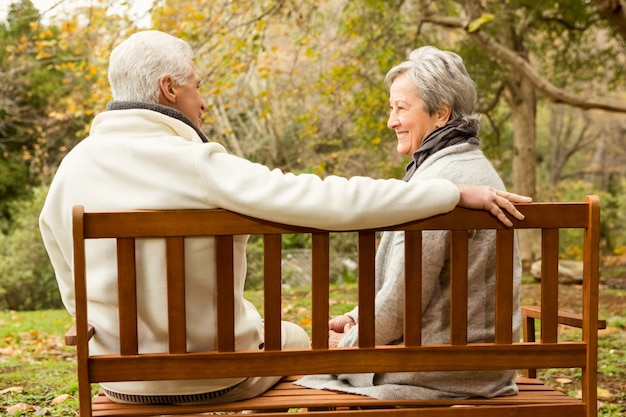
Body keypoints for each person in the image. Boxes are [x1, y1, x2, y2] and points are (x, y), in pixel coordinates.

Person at [39, 32, 529, 405]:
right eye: (196, 86)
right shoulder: (194, 162)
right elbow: (318, 198)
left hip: (118, 380)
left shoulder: (70, 170)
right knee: (299, 338)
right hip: (212, 377)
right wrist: (445, 194)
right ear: (168, 89)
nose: (203, 101)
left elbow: (70, 287)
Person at [296, 46, 523, 400]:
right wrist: (358, 318)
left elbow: (404, 300)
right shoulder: (470, 170)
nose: (391, 121)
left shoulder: (439, 186)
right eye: (392, 108)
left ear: (441, 114)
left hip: (440, 367)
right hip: (485, 364)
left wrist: (347, 344)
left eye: (402, 108)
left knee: (298, 363)